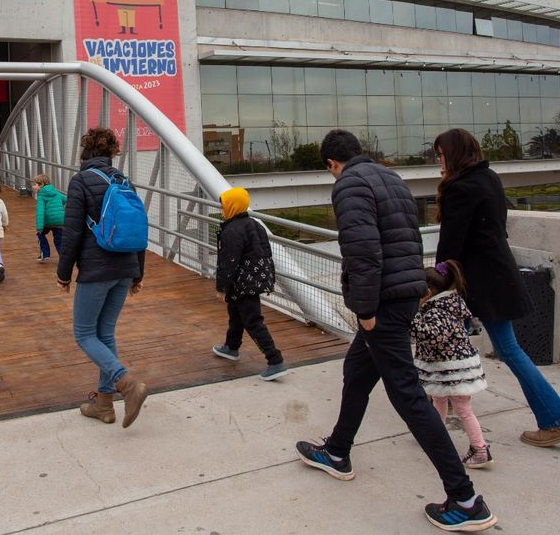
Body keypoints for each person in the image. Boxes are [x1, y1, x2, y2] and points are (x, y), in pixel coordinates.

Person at [296, 129, 496, 533]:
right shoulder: (390, 178)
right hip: (403, 294)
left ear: (332, 164)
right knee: (356, 373)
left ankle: (465, 498)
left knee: (407, 395)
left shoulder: (349, 184)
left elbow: (363, 251)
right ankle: (337, 451)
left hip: (382, 303)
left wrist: (366, 311)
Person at [432, 127, 560, 449]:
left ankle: (556, 419)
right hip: (498, 275)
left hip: (481, 283)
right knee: (492, 348)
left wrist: (435, 280)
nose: (439, 161)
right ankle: (441, 410)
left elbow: (451, 245)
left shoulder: (462, 188)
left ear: (454, 154)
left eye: (441, 154)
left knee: (497, 349)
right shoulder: (488, 178)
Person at [56, 127, 149, 428]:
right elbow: (139, 229)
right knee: (105, 333)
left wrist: (63, 273)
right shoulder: (124, 181)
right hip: (125, 268)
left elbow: (71, 234)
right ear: (111, 154)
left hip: (96, 270)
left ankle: (126, 382)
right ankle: (104, 404)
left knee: (84, 333)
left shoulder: (80, 181)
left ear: (85, 153)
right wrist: (138, 272)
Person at [412, 259, 492, 469]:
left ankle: (480, 448)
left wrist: (411, 322)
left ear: (427, 292)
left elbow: (432, 336)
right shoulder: (451, 304)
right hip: (451, 368)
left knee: (463, 408)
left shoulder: (437, 311)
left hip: (452, 369)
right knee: (438, 400)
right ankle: (435, 436)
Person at [211, 187, 287, 380]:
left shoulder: (232, 230)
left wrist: (221, 287)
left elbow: (228, 262)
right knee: (236, 314)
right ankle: (231, 347)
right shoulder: (254, 224)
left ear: (232, 206)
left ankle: (275, 360)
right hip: (254, 279)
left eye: (223, 206)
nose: (221, 210)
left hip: (243, 283)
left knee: (252, 321)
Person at [32, 173, 66, 262]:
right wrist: (59, 207)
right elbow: (66, 200)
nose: (33, 187)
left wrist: (39, 227)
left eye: (35, 184)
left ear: (41, 184)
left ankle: (45, 254)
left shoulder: (41, 196)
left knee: (40, 234)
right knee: (59, 241)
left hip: (48, 222)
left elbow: (40, 211)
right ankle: (63, 259)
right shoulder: (55, 192)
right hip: (60, 221)